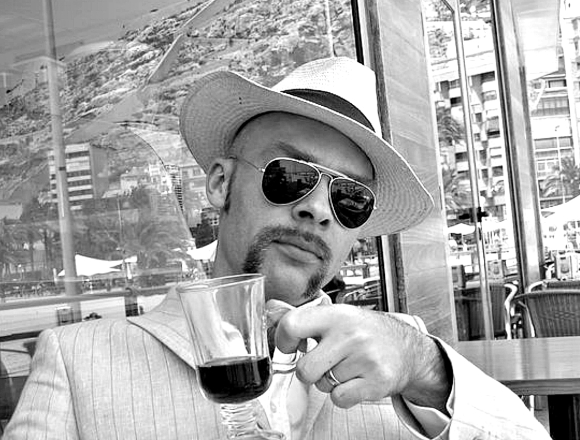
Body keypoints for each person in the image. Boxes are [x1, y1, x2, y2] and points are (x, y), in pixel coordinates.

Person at [3, 57, 550, 439]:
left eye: (350, 198)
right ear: (220, 183)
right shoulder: (79, 361)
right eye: (289, 176)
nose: (317, 209)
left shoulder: (402, 357)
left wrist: (426, 368)